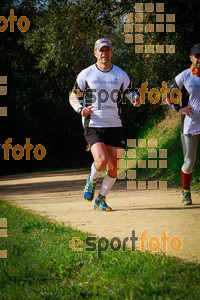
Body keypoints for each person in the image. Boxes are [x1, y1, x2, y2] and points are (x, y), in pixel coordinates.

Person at [69, 38, 140, 211]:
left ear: (111, 52)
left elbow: (130, 91)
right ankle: (91, 181)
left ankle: (101, 199)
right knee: (100, 161)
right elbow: (73, 95)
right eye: (101, 50)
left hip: (115, 125)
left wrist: (135, 99)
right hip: (94, 123)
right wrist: (80, 109)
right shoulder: (86, 74)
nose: (104, 53)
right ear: (95, 53)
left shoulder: (120, 74)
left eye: (107, 50)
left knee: (113, 167)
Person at [167, 43, 200, 205]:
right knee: (189, 161)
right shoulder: (184, 76)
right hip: (190, 125)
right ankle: (186, 191)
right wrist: (179, 109)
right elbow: (169, 96)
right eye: (197, 55)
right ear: (191, 57)